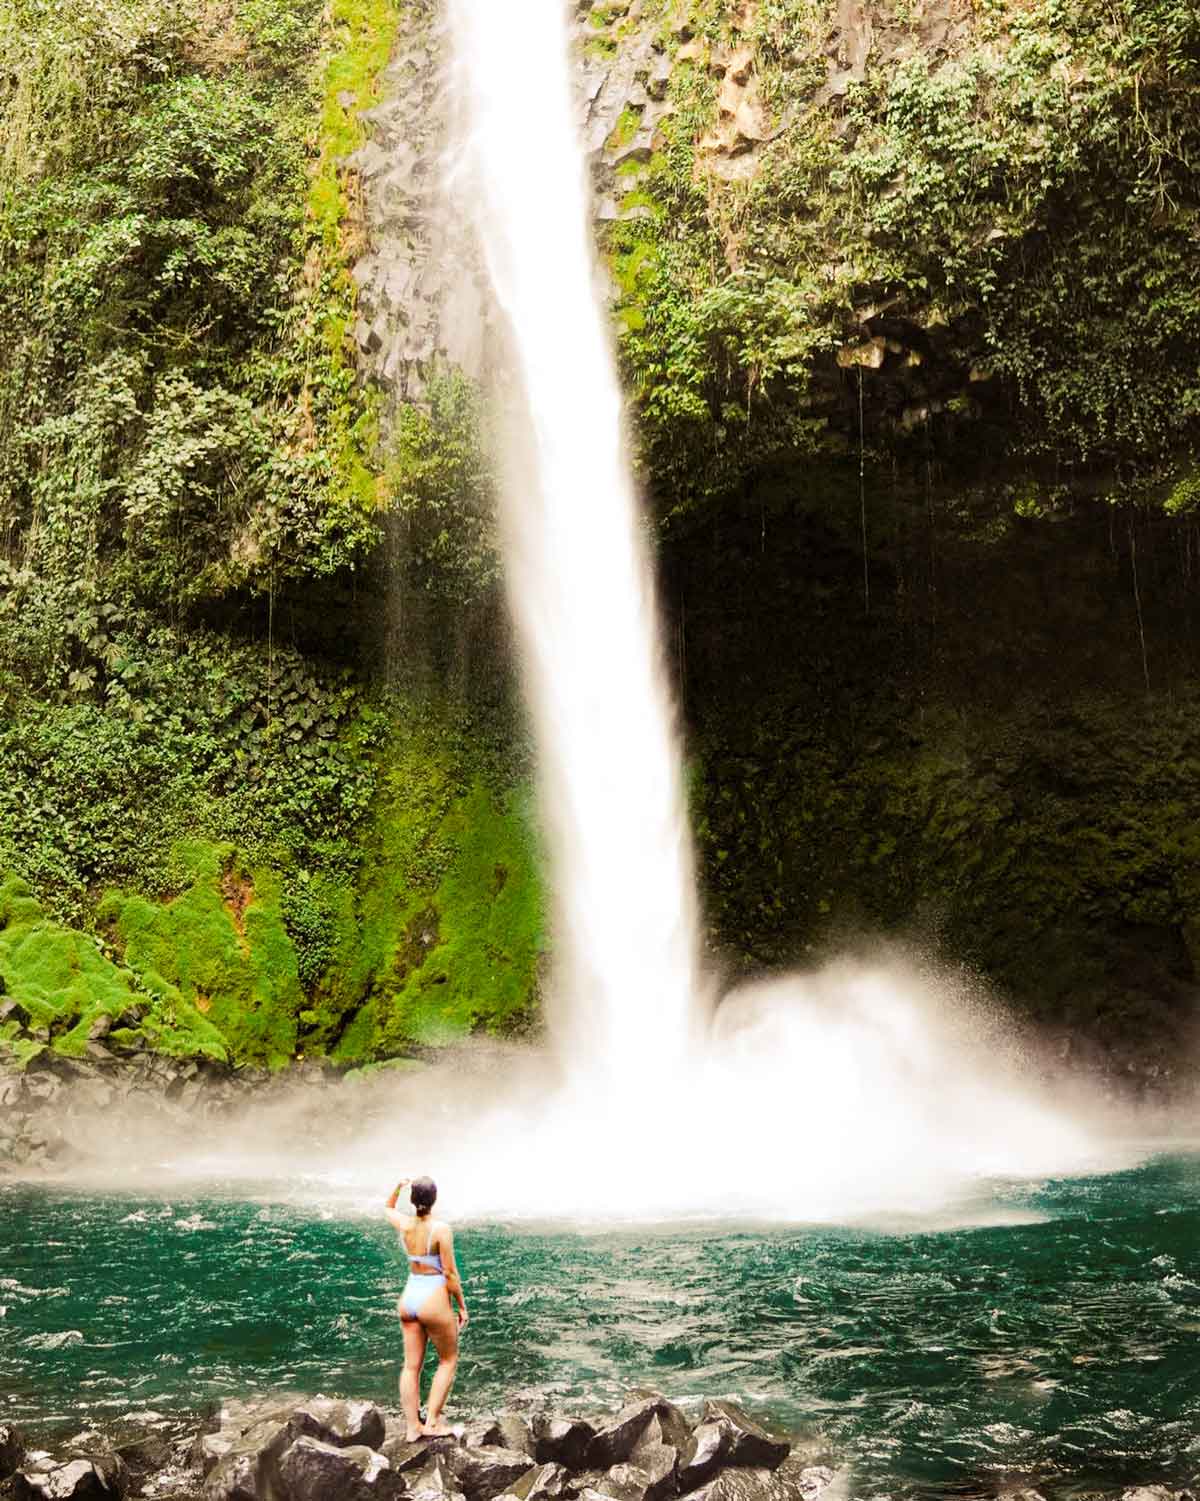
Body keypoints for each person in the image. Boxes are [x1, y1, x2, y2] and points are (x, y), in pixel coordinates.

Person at [385, 1174, 469, 1440]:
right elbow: (450, 1274)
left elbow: (387, 1208)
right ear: (435, 1199)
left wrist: (397, 1187)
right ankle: (432, 1423)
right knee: (448, 1360)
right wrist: (462, 1305)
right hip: (433, 1297)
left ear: (412, 1200)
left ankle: (412, 1428)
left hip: (410, 1296)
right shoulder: (441, 1230)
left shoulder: (404, 1224)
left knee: (411, 1366)